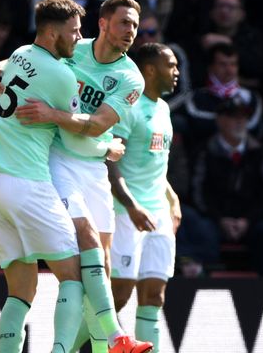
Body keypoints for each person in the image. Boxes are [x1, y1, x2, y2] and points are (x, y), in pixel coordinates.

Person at [0, 0, 147, 353]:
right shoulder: (65, 70)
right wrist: (107, 148)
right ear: (103, 24)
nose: (77, 36)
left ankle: (107, 344)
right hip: (39, 174)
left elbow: (16, 62)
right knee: (76, 273)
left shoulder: (126, 76)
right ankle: (101, 341)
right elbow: (83, 128)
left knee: (34, 287)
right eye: (74, 30)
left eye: (135, 24)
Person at [107, 43, 181, 351]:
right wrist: (131, 206)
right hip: (126, 214)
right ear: (150, 70)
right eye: (171, 66)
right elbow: (109, 163)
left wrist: (172, 198)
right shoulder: (128, 107)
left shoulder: (163, 108)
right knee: (119, 296)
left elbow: (155, 164)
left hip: (158, 214)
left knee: (154, 297)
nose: (176, 72)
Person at [187, 96, 263, 275]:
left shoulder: (259, 151)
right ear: (220, 120)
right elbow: (197, 192)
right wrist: (220, 219)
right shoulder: (205, 151)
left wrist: (248, 220)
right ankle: (204, 285)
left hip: (250, 221)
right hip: (215, 220)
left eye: (243, 117)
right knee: (202, 230)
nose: (239, 121)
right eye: (233, 116)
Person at [184, 43, 262, 160]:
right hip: (206, 156)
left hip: (245, 159)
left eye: (233, 64)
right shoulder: (196, 97)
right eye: (223, 64)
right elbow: (198, 124)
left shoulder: (251, 97)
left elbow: (253, 126)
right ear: (210, 67)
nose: (229, 70)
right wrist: (233, 125)